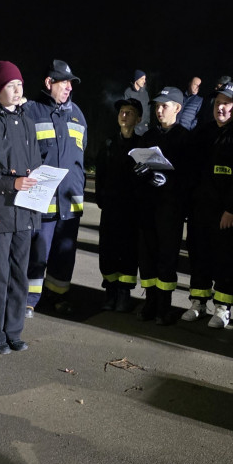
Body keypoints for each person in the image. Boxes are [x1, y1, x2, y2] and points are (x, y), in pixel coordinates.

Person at [0, 60, 42, 354]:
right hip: (1, 210)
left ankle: (14, 331)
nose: (17, 90)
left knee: (19, 274)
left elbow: (36, 163)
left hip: (26, 211)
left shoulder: (28, 122)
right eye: (10, 85)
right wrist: (11, 184)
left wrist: (41, 179)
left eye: (19, 84)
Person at [184, 81, 233, 329]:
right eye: (218, 102)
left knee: (224, 260)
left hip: (225, 213)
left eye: (227, 103)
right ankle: (198, 302)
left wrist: (232, 210)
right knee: (199, 256)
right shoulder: (204, 133)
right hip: (200, 209)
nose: (221, 107)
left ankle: (223, 308)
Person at [24, 59, 87, 317]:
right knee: (37, 251)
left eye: (71, 84)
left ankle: (58, 295)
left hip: (71, 201)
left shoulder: (78, 114)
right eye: (64, 83)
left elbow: (79, 157)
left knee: (64, 255)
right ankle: (29, 299)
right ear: (49, 82)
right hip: (42, 201)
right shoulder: (30, 111)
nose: (69, 88)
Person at [135, 86, 194, 325]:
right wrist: (140, 172)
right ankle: (150, 302)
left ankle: (164, 307)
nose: (159, 110)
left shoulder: (185, 138)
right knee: (147, 256)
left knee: (166, 257)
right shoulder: (148, 137)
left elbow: (190, 177)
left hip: (170, 208)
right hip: (148, 207)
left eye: (165, 106)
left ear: (178, 109)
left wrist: (169, 181)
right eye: (157, 106)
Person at [94, 98, 142, 312]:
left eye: (130, 112)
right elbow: (100, 175)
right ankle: (110, 290)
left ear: (138, 119)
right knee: (108, 250)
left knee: (129, 251)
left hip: (132, 209)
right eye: (122, 111)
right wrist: (102, 199)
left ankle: (124, 293)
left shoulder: (142, 146)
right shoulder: (108, 144)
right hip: (111, 208)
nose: (124, 115)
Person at [123, 69, 150, 135]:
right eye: (142, 79)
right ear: (136, 79)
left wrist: (147, 122)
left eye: (145, 79)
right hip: (134, 127)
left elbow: (148, 108)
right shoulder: (128, 92)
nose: (144, 81)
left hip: (144, 127)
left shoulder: (145, 93)